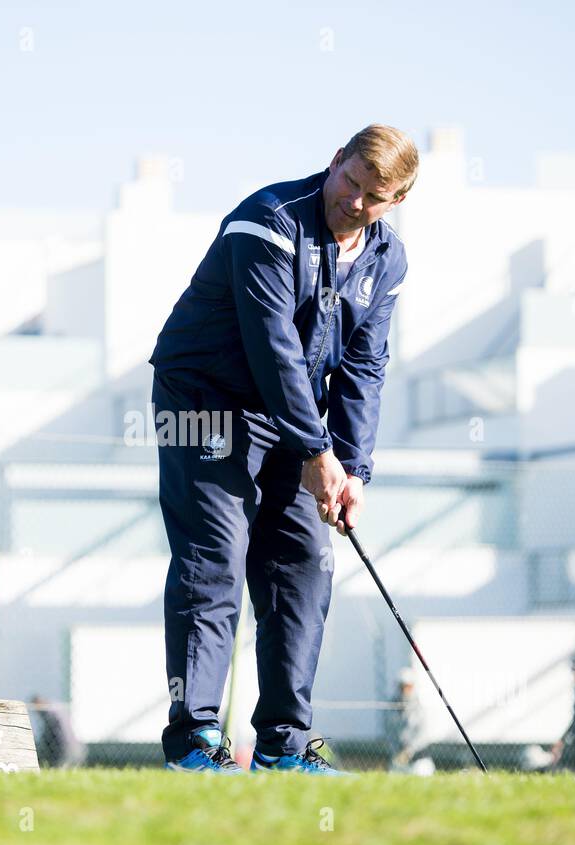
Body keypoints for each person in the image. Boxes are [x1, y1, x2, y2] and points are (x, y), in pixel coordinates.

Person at [147, 125, 416, 773]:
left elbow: (364, 369)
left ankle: (283, 747)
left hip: (289, 421)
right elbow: (274, 351)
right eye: (349, 181)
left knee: (302, 563)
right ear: (334, 161)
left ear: (395, 201)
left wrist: (350, 471)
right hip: (205, 401)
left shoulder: (387, 261)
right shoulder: (266, 222)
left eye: (373, 197)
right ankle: (194, 742)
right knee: (215, 555)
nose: (354, 202)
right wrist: (316, 453)